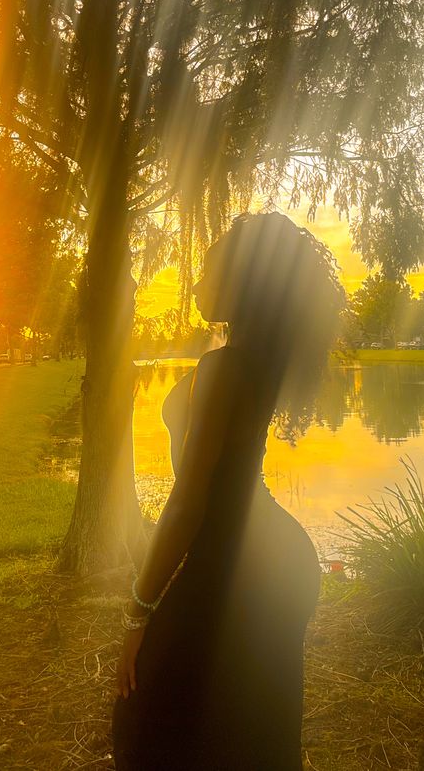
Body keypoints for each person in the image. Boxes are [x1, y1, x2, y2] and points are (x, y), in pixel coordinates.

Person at [111, 212, 344, 770]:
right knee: (244, 733)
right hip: (267, 562)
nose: (195, 278)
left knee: (146, 723)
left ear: (243, 277)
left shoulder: (227, 367)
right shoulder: (252, 362)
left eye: (211, 262)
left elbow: (189, 501)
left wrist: (137, 613)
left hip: (241, 567)